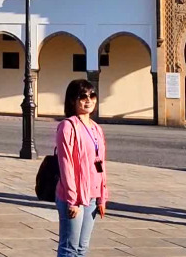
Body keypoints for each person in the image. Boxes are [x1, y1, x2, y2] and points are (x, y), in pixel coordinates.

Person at [55, 79, 107, 257]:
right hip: (74, 196)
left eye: (92, 95)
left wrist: (102, 197)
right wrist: (72, 200)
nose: (89, 100)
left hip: (92, 196)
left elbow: (101, 164)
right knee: (69, 248)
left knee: (82, 248)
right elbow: (66, 164)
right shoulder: (67, 126)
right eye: (83, 96)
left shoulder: (96, 128)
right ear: (72, 100)